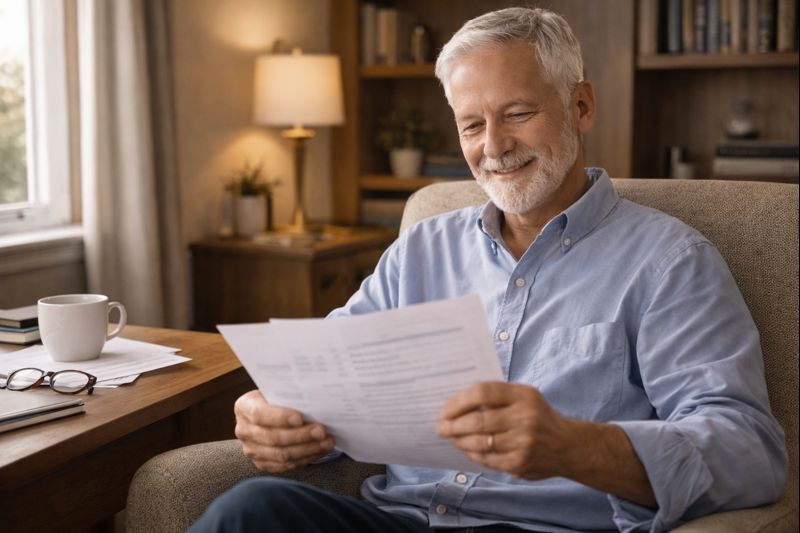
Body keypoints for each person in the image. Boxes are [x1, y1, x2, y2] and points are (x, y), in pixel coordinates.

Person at [190, 7, 787, 532]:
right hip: (402, 518)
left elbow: (750, 454)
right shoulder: (419, 251)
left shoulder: (669, 262)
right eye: (472, 125)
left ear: (581, 106)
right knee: (252, 509)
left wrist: (573, 447)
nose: (493, 146)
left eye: (518, 113)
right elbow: (327, 378)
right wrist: (273, 414)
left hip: (549, 529)